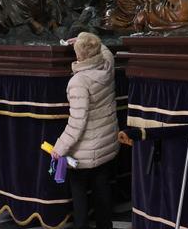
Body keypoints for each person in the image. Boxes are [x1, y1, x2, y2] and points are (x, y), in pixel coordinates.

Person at [51, 32, 118, 229]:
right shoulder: (106, 66)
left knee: (79, 197)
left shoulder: (78, 81)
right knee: (102, 190)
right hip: (106, 146)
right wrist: (89, 39)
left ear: (79, 56)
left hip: (83, 152)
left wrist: (60, 147)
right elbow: (105, 52)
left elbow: (77, 122)